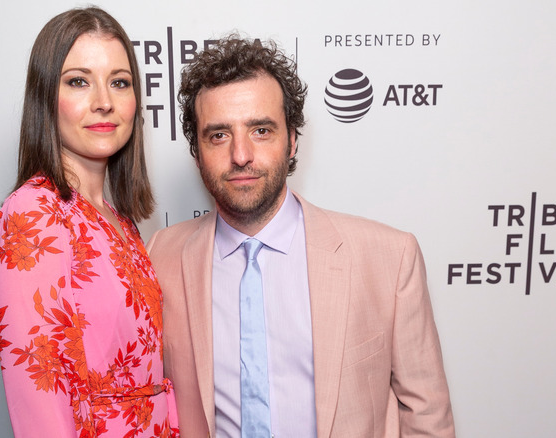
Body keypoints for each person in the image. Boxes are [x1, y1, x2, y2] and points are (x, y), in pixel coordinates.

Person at [146, 35, 454, 437]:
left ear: (292, 141)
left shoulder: (389, 258)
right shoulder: (158, 257)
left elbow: (426, 415)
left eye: (261, 130)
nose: (241, 155)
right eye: (218, 135)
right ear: (197, 151)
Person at [0, 7, 178, 437]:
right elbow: (39, 395)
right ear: (45, 97)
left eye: (119, 82)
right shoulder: (35, 212)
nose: (104, 102)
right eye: (78, 81)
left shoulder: (117, 219)